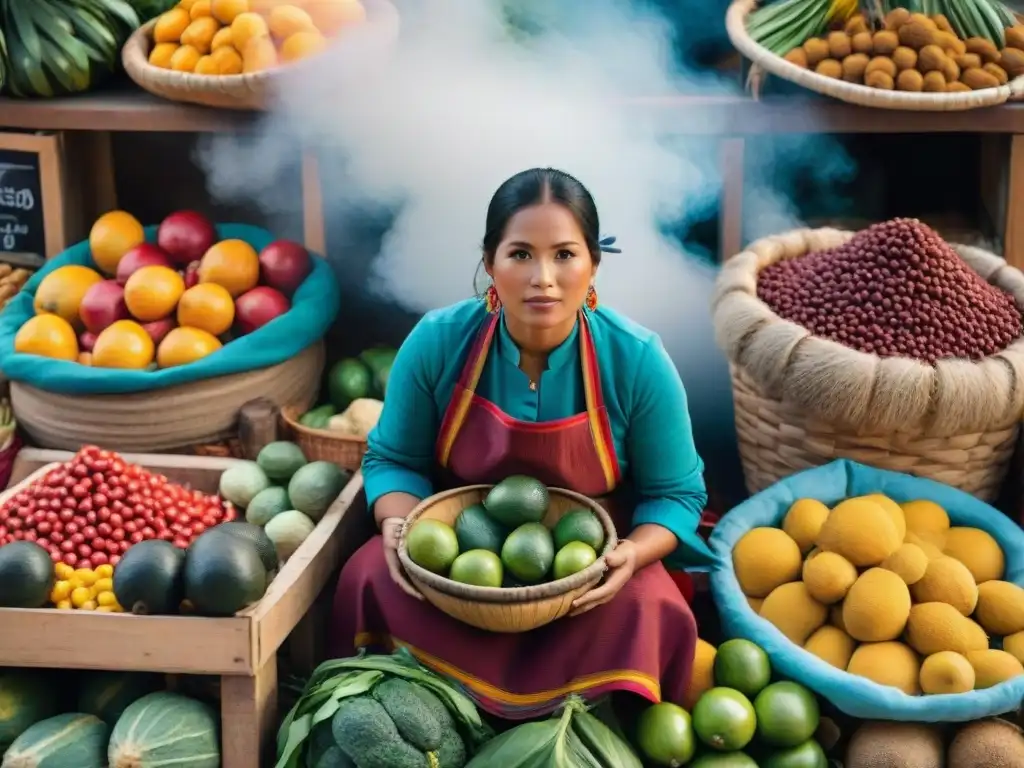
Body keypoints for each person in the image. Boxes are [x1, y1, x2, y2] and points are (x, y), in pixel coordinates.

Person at [331, 167, 713, 719]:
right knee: (368, 573)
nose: (543, 278)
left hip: (589, 575)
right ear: (490, 263)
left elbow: (675, 495)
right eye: (521, 255)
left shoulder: (638, 360)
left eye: (564, 254)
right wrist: (398, 525)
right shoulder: (438, 340)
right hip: (456, 567)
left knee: (652, 605)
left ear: (593, 264)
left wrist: (630, 555)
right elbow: (393, 459)